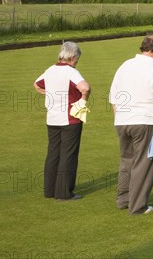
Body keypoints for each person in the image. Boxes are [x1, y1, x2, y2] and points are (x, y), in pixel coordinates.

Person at [109, 34, 153, 215]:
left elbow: (113, 97)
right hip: (146, 122)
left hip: (122, 121)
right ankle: (138, 206)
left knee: (127, 161)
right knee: (146, 163)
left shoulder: (124, 66)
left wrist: (120, 118)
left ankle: (124, 200)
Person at [33, 41, 91, 201]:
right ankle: (64, 193)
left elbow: (36, 84)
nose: (77, 62)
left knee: (53, 153)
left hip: (52, 118)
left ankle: (50, 190)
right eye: (77, 59)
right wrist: (82, 101)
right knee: (68, 155)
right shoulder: (71, 72)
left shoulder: (50, 70)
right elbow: (85, 87)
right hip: (70, 119)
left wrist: (49, 93)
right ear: (72, 57)